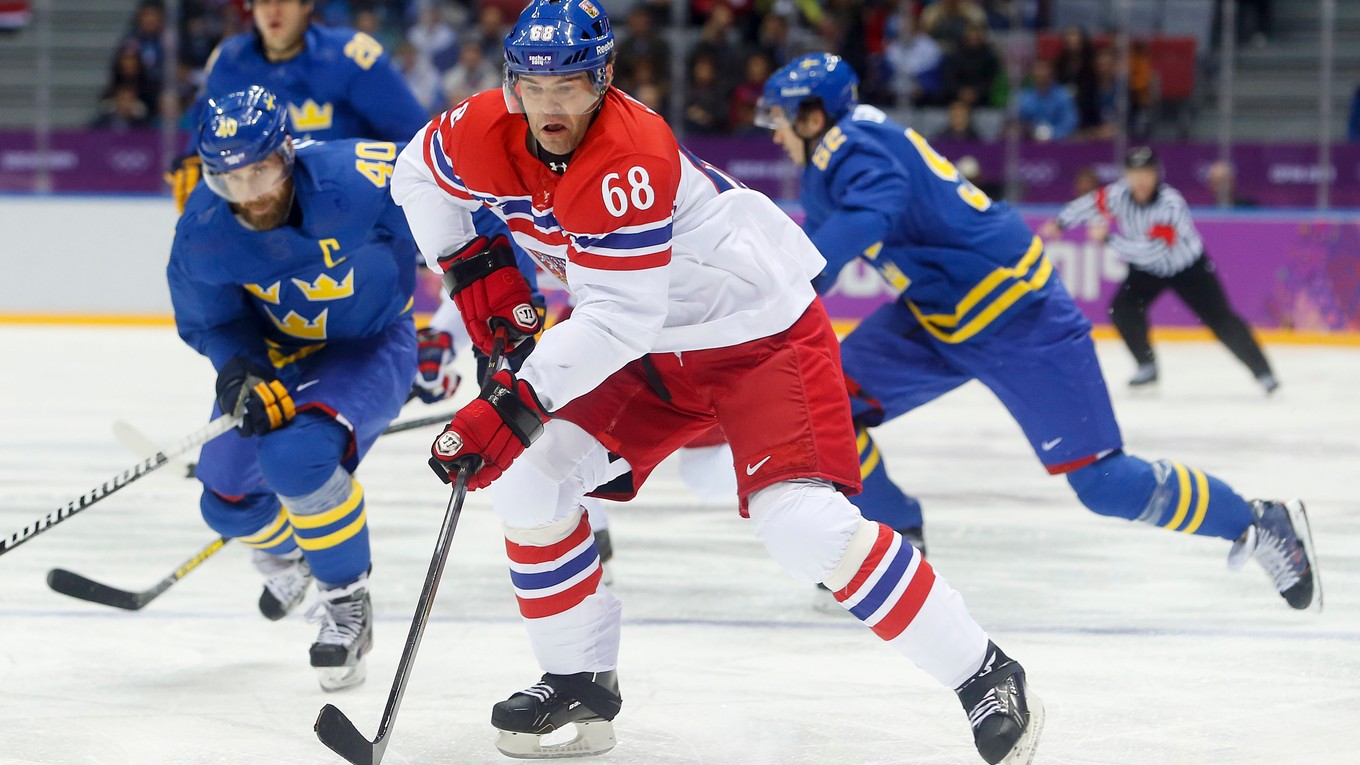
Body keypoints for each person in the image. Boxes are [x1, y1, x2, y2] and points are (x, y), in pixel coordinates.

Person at [390, 2, 1043, 763]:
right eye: (535, 86)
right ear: (512, 85)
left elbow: (617, 322)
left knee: (801, 526)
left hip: (756, 336)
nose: (552, 104)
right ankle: (578, 677)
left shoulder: (630, 156)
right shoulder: (480, 128)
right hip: (651, 349)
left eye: (571, 85)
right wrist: (480, 281)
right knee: (532, 479)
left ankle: (984, 670)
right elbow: (417, 175)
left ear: (603, 80)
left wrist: (513, 401)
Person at [757, 54, 1317, 627]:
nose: (773, 132)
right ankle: (899, 536)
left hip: (1018, 316)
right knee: (823, 405)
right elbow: (834, 234)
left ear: (811, 115)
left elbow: (869, 213)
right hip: (937, 313)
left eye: (778, 118)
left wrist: (787, 286)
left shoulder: (850, 143)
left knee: (1104, 484)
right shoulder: (834, 156)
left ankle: (1255, 521)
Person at [168, 86, 420, 690]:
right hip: (281, 353)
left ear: (289, 152)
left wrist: (490, 323)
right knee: (223, 500)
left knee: (295, 457)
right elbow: (216, 322)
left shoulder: (364, 177)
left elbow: (468, 224)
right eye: (231, 181)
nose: (250, 195)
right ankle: (301, 550)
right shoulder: (202, 230)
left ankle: (345, 604)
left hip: (371, 342)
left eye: (261, 171)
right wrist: (241, 372)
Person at [173, 0, 543, 409]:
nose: (272, 11)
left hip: (363, 214)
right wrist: (192, 167)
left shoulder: (351, 56)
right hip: (278, 223)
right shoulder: (229, 60)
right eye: (262, 1)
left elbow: (416, 142)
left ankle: (419, 360)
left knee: (462, 261)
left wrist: (377, 194)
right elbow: (211, 136)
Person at [1042, 147, 1279, 393]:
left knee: (1221, 320)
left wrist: (1108, 241)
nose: (1141, 180)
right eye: (1135, 173)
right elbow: (1089, 205)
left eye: (1147, 173)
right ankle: (1147, 365)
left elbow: (1154, 250)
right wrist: (1061, 222)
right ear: (1126, 175)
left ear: (1157, 175)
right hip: (1146, 270)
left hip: (1187, 268)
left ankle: (1264, 373)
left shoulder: (1171, 204)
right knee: (1123, 308)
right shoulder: (1117, 194)